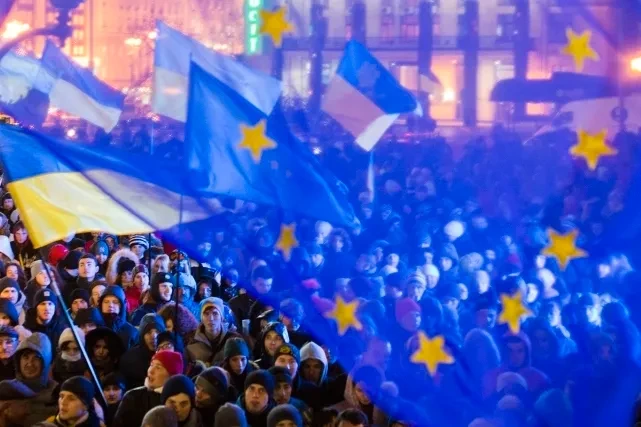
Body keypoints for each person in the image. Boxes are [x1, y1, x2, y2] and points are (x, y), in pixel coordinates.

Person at [112, 350, 183, 427]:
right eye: (151, 365)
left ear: (171, 375)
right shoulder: (133, 397)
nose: (151, 371)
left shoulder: (179, 401)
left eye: (158, 368)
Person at [0, 333, 57, 426]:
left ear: (45, 361)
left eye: (36, 358)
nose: (30, 364)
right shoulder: (5, 389)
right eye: (25, 357)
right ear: (18, 360)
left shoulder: (57, 394)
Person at [187, 297, 239, 366]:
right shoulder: (190, 340)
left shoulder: (233, 339)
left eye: (215, 313)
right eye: (206, 314)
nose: (211, 318)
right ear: (201, 318)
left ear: (221, 317)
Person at [120, 313, 166, 389]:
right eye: (148, 332)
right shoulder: (129, 360)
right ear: (142, 335)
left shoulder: (171, 359)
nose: (154, 336)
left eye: (157, 332)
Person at [99, 286, 138, 350]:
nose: (110, 305)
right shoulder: (94, 328)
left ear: (122, 305)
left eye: (115, 302)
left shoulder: (132, 332)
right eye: (106, 302)